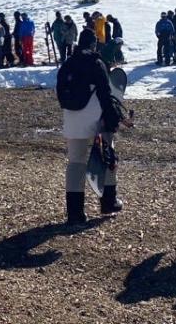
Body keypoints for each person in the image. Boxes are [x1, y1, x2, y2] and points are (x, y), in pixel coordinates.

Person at [57, 29, 127, 225]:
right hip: (95, 116)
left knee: (76, 162)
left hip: (72, 118)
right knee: (106, 155)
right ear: (94, 44)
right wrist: (112, 119)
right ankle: (108, 202)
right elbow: (106, 93)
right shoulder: (96, 63)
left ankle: (75, 214)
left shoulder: (67, 64)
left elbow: (60, 94)